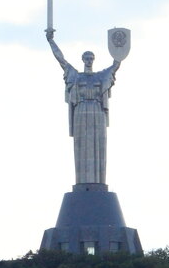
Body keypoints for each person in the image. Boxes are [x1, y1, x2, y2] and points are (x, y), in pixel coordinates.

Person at [47, 29, 121, 185]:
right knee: (81, 146)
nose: (89, 61)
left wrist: (119, 49)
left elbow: (116, 65)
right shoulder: (76, 76)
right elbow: (61, 60)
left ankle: (99, 182)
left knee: (99, 145)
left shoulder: (101, 76)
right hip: (80, 111)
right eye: (86, 58)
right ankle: (81, 182)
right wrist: (51, 41)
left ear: (94, 60)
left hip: (97, 111)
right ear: (82, 60)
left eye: (91, 58)